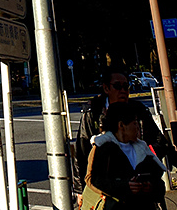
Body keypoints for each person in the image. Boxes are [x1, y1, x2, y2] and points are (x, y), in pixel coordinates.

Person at [85, 101, 173, 210]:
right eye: (135, 124)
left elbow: (159, 183)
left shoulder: (142, 147)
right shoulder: (103, 148)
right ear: (121, 125)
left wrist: (150, 186)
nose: (138, 129)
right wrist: (124, 186)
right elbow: (92, 179)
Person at [73, 68, 176, 201]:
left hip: (142, 189)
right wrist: (79, 190)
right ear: (106, 88)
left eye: (126, 86)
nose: (123, 90)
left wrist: (145, 157)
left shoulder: (139, 110)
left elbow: (161, 143)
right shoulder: (93, 113)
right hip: (108, 191)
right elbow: (81, 152)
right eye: (117, 86)